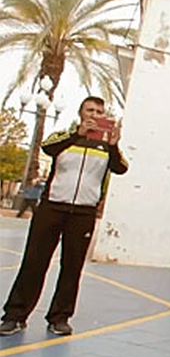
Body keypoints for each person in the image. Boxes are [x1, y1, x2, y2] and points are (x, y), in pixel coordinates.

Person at [0, 97, 127, 337]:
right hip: (52, 208)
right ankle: (15, 316)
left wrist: (113, 145)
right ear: (81, 113)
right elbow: (48, 147)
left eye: (99, 111)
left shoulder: (105, 146)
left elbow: (121, 167)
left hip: (83, 213)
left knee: (72, 267)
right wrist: (77, 134)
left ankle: (59, 318)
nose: (94, 114)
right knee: (34, 262)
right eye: (90, 110)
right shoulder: (64, 138)